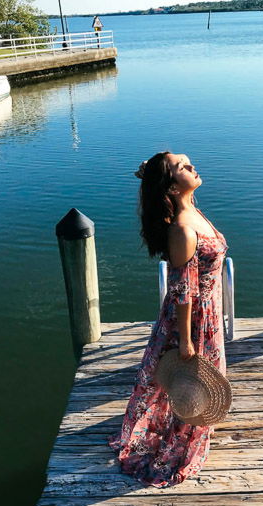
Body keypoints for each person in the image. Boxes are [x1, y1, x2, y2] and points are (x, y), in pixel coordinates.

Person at [108, 151, 228, 487]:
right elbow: (182, 291)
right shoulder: (182, 230)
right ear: (173, 189)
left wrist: (151, 175)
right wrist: (187, 340)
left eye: (188, 162)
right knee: (186, 383)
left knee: (192, 384)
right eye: (183, 167)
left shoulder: (190, 207)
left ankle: (190, 428)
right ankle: (179, 440)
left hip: (209, 311)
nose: (193, 166)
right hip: (193, 320)